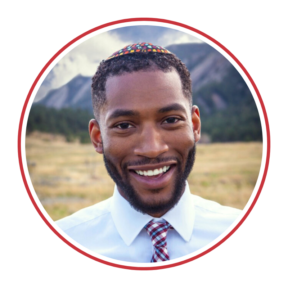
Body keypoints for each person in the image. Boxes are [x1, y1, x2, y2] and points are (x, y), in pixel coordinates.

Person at [55, 42, 242, 264]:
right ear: (98, 137)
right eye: (124, 125)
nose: (152, 149)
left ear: (194, 126)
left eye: (171, 120)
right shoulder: (70, 237)